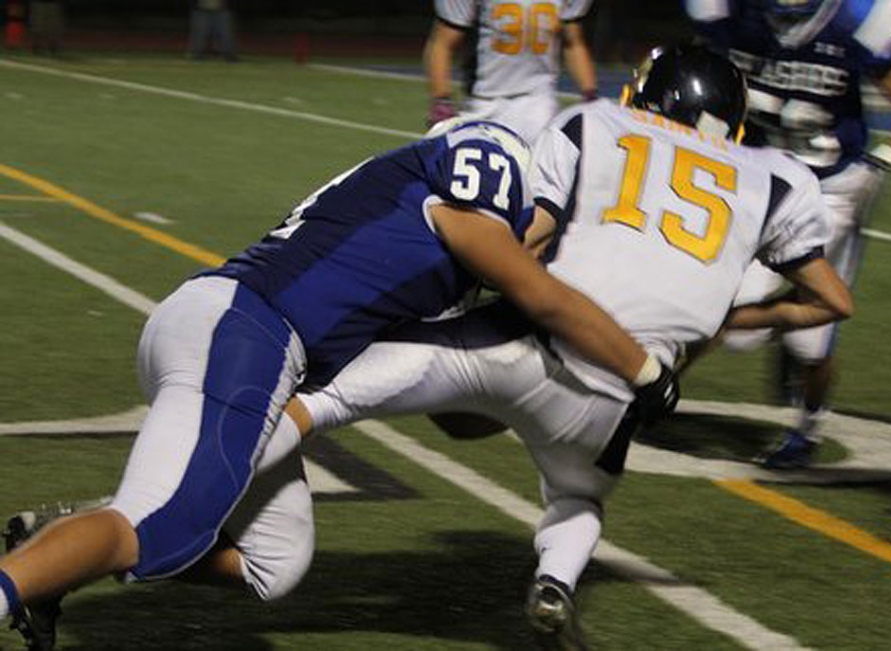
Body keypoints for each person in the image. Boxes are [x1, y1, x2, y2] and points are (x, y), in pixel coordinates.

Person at [157, 45, 851, 651]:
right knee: (581, 498)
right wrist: (725, 317)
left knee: (315, 403)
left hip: (524, 343)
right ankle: (554, 582)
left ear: (647, 94)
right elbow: (832, 301)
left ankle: (161, 507)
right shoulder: (777, 177)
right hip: (614, 400)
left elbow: (529, 246)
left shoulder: (594, 123)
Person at [0, 119, 669, 651]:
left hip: (243, 339)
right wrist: (642, 369)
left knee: (275, 561)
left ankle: (61, 555)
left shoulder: (433, 258)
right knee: (157, 522)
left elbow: (455, 410)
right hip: (248, 331)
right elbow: (540, 291)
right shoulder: (488, 160)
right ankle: (25, 578)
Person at [684, 0, 891, 469]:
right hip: (758, 176)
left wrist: (883, 165)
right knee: (725, 319)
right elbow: (704, 76)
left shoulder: (858, 18)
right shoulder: (728, 12)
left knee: (811, 343)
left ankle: (809, 426)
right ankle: (651, 386)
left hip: (832, 190)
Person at [423, 0, 599, 144]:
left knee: (542, 181)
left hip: (539, 102)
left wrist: (589, 94)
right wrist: (441, 100)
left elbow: (573, 42)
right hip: (484, 103)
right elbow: (442, 44)